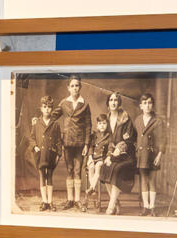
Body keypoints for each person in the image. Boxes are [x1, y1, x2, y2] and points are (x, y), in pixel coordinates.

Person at [58, 76, 91, 211]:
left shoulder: (85, 104)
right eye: (72, 86)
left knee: (78, 171)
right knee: (69, 170)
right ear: (68, 88)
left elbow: (89, 125)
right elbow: (54, 115)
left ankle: (77, 200)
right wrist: (39, 118)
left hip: (80, 142)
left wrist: (86, 144)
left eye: (77, 85)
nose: (74, 88)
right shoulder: (64, 103)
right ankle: (70, 200)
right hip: (67, 142)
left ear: (80, 87)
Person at [102, 90, 137, 216]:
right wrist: (108, 155)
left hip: (126, 155)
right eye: (111, 100)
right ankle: (116, 201)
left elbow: (129, 139)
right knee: (105, 168)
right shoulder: (106, 119)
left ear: (119, 102)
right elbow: (107, 140)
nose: (113, 102)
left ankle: (111, 206)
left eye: (115, 100)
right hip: (112, 154)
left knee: (116, 170)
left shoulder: (125, 118)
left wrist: (119, 149)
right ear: (108, 103)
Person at [133, 90, 165, 216]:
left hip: (152, 155)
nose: (147, 105)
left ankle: (153, 207)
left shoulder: (157, 121)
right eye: (145, 103)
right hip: (141, 155)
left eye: (150, 103)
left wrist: (160, 155)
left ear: (153, 105)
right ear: (140, 106)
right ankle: (145, 206)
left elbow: (162, 138)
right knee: (144, 180)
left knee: (152, 180)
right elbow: (135, 136)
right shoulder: (138, 120)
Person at [26, 97, 60, 212]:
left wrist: (58, 154)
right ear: (41, 108)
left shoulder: (55, 124)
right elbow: (31, 138)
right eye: (45, 107)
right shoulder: (36, 123)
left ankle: (50, 201)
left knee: (49, 175)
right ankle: (44, 201)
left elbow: (59, 140)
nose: (47, 109)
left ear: (52, 109)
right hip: (40, 153)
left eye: (49, 107)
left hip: (50, 154)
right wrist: (34, 146)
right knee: (42, 176)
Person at [87, 111, 112, 209]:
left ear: (107, 124)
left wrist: (109, 156)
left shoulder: (109, 136)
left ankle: (92, 187)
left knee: (97, 166)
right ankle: (92, 188)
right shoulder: (94, 135)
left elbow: (110, 148)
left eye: (104, 123)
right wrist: (90, 157)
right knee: (91, 166)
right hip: (94, 157)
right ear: (97, 125)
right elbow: (91, 147)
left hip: (102, 158)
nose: (102, 126)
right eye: (100, 124)